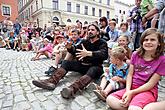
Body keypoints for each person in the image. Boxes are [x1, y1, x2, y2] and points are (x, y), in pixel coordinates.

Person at [32, 24, 108, 99]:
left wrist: (89, 53)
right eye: (89, 30)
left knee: (93, 70)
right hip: (83, 65)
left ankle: (72, 89)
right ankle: (51, 82)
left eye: (92, 30)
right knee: (66, 63)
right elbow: (75, 50)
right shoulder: (85, 41)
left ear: (97, 32)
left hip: (95, 67)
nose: (90, 31)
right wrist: (70, 47)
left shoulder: (102, 42)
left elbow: (104, 54)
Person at [106, 28, 165, 110]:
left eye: (152, 40)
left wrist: (132, 92)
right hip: (132, 87)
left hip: (147, 90)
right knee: (110, 99)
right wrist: (127, 91)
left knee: (134, 108)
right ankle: (134, 105)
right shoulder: (135, 54)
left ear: (159, 43)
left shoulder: (162, 59)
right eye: (146, 40)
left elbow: (151, 84)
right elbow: (130, 75)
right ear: (142, 42)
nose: (148, 42)